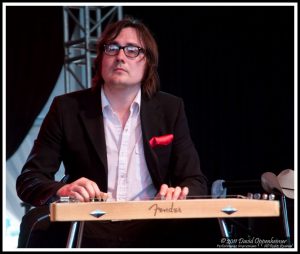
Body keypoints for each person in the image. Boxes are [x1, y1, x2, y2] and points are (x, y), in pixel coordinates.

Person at [16, 17, 208, 248]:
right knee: (36, 224)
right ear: (100, 59)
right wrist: (62, 190)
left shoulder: (170, 108)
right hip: (87, 222)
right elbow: (29, 180)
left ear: (148, 62)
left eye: (132, 50)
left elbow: (195, 181)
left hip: (152, 222)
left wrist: (178, 193)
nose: (120, 56)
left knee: (205, 230)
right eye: (112, 48)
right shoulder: (66, 108)